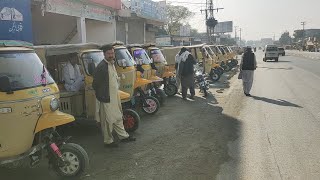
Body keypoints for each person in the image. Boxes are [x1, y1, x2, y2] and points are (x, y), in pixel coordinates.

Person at [93, 44, 136, 148]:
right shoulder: (101, 67)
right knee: (108, 121)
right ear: (104, 54)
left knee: (118, 117)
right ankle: (108, 141)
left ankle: (123, 136)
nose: (111, 55)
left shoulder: (111, 64)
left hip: (114, 97)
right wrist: (103, 98)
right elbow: (95, 84)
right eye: (109, 53)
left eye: (112, 53)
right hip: (106, 98)